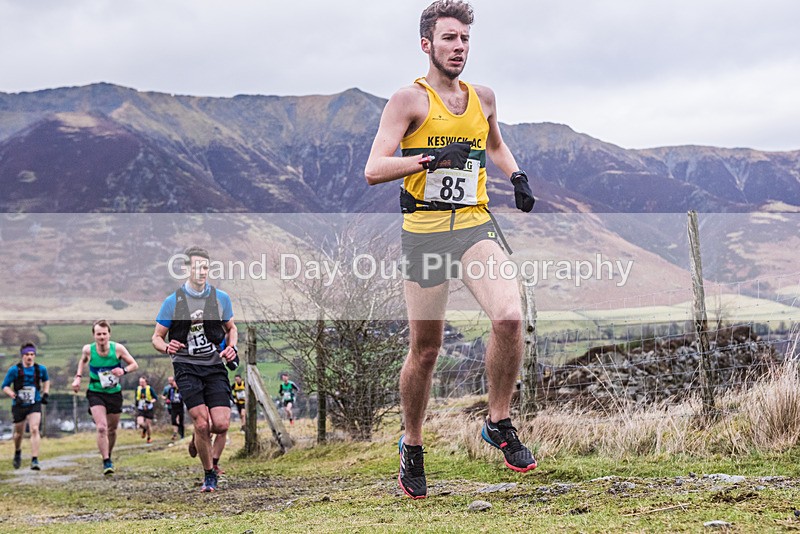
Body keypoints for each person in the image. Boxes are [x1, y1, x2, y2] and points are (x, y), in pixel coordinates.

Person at [363, 0, 537, 499]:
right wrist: (428, 159)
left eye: (464, 39)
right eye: (449, 39)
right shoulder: (408, 101)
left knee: (508, 317)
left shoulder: (483, 98)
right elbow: (374, 168)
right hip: (425, 232)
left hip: (474, 226)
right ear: (427, 45)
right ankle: (412, 444)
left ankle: (497, 421)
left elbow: (495, 144)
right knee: (426, 350)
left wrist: (516, 174)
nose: (458, 47)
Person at [152, 246, 239, 492]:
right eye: (196, 267)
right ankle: (209, 474)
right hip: (186, 366)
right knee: (202, 423)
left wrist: (231, 347)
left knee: (220, 425)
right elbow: (157, 337)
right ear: (186, 269)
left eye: (205, 267)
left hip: (213, 366)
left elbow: (231, 328)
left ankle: (197, 438)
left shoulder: (220, 298)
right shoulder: (173, 301)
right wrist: (167, 347)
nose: (201, 272)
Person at [72, 320, 139, 475]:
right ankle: (106, 460)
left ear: (109, 334)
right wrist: (78, 377)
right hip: (95, 391)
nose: (101, 337)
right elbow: (82, 361)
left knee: (112, 429)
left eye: (104, 334)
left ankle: (108, 453)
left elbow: (134, 364)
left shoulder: (118, 349)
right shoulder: (88, 350)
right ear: (94, 335)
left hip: (114, 392)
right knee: (101, 427)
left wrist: (123, 371)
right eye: (98, 334)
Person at [2, 343, 50, 470]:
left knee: (34, 428)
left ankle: (34, 459)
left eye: (32, 354)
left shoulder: (40, 369)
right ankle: (17, 451)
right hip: (19, 404)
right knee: (19, 433)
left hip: (35, 402)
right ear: (22, 355)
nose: (29, 357)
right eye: (27, 354)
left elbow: (46, 380)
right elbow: (5, 386)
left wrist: (45, 393)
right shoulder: (14, 370)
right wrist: (13, 394)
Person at [135, 376, 157, 443]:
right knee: (140, 423)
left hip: (149, 408)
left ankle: (149, 438)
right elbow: (136, 397)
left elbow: (155, 398)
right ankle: (144, 429)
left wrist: (150, 401)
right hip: (141, 408)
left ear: (146, 382)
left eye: (142, 382)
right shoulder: (138, 389)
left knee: (148, 424)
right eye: (140, 382)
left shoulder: (149, 389)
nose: (141, 383)